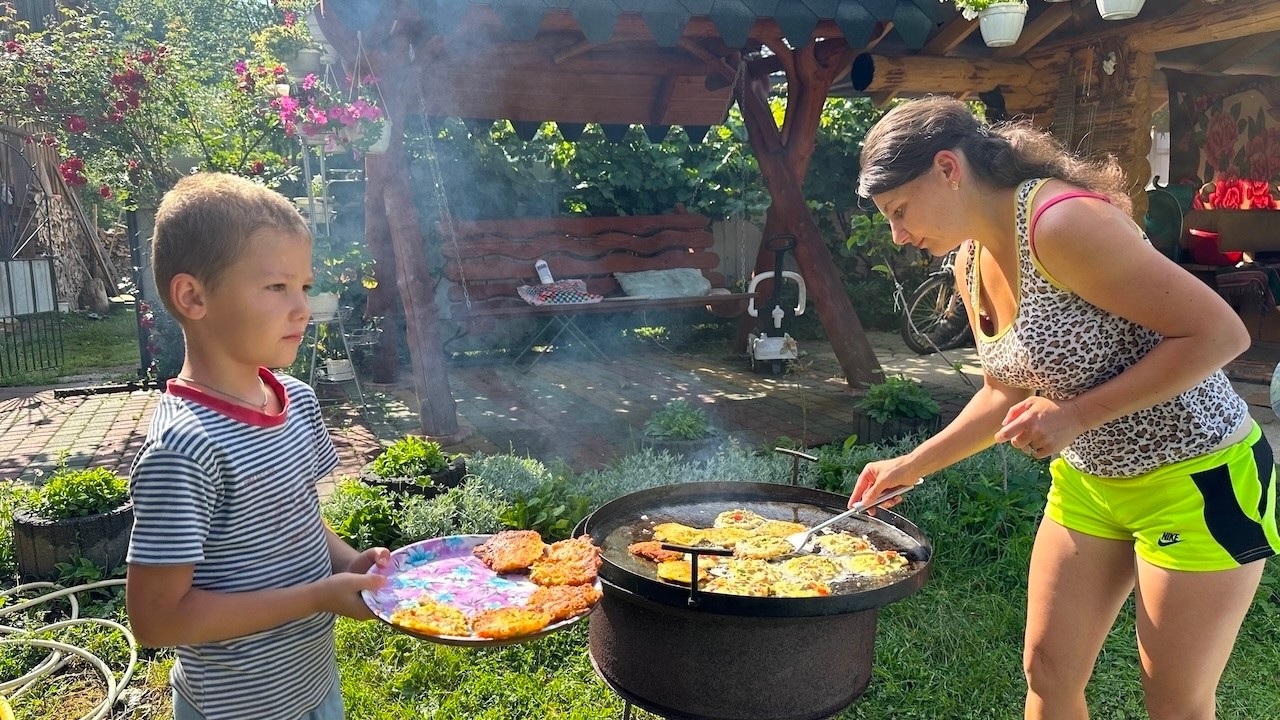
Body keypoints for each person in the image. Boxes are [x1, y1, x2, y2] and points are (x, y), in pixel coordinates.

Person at [851, 96, 1277, 720]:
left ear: (947, 169)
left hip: (1197, 477)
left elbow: (1220, 335)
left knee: (1175, 701)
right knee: (1048, 673)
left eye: (899, 211)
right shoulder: (970, 260)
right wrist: (910, 466)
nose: (898, 234)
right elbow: (1003, 390)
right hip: (1089, 482)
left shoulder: (1062, 223)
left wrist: (1076, 416)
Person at [125, 172, 389, 720]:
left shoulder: (297, 400)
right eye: (276, 288)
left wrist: (349, 564)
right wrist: (316, 596)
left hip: (314, 686)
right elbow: (156, 620)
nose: (303, 308)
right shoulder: (183, 449)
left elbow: (297, 518)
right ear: (193, 296)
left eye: (304, 287)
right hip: (235, 708)